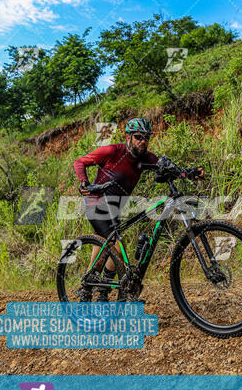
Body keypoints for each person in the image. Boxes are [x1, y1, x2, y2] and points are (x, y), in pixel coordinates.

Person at [73, 117, 204, 302]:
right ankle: (103, 293)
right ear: (128, 136)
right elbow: (79, 162)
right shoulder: (112, 151)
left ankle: (92, 289)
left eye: (146, 138)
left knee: (103, 251)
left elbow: (168, 168)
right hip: (96, 204)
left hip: (115, 210)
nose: (143, 141)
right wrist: (84, 182)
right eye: (138, 137)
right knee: (117, 248)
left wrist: (189, 173)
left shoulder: (146, 158)